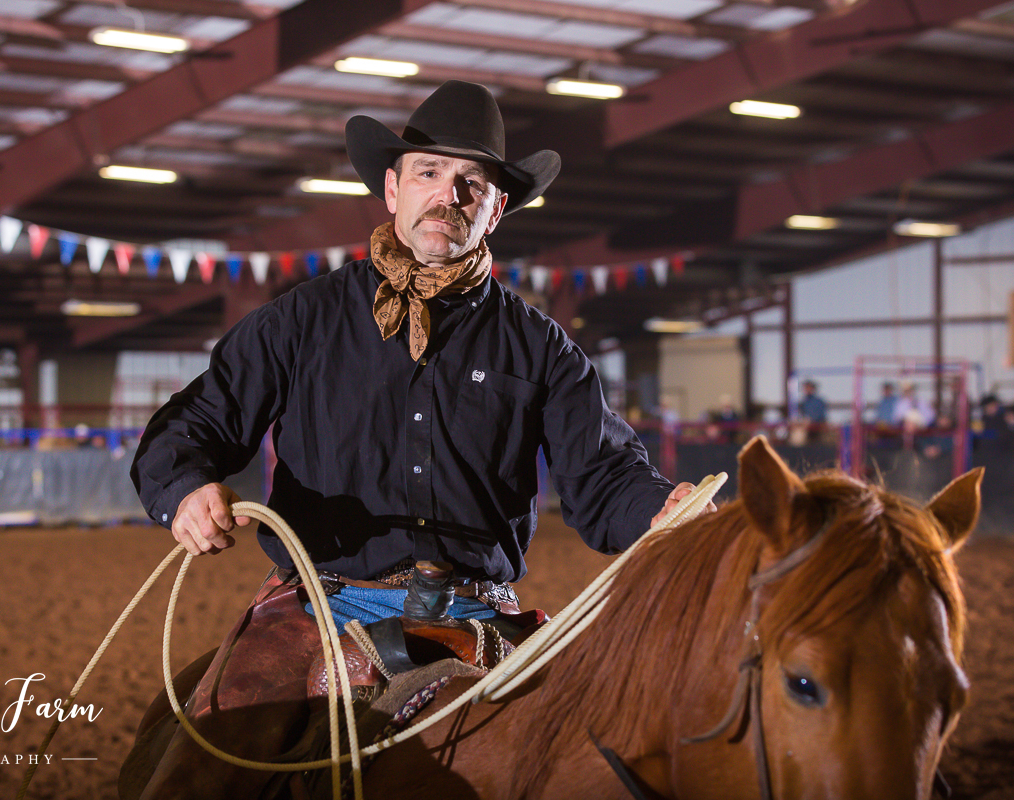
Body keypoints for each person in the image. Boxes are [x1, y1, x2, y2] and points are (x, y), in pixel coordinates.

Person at [126, 81, 710, 799]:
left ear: (496, 209)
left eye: (473, 183)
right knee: (206, 767)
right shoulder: (302, 320)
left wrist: (661, 510)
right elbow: (194, 424)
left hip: (478, 609)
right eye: (430, 173)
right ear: (392, 188)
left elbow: (605, 476)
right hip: (319, 604)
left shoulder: (541, 348)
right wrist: (183, 488)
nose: (449, 194)